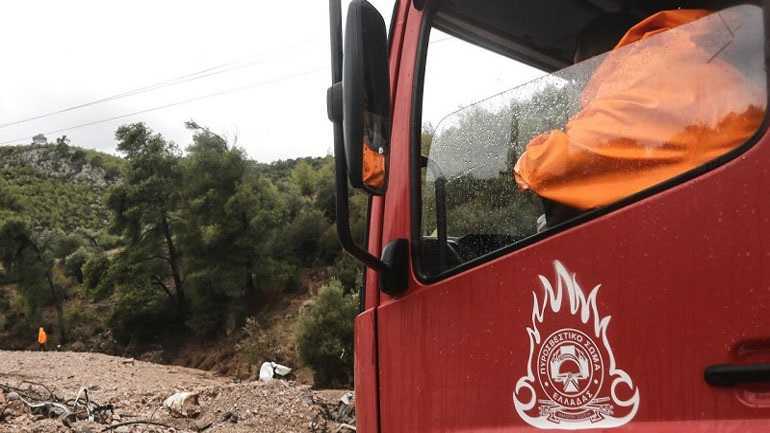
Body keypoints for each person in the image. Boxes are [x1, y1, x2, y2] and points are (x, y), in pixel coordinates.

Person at [514, 7, 765, 226]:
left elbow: (551, 167)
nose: (582, 86)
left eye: (580, 72)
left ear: (595, 60)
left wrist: (525, 162)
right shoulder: (708, 65)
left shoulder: (640, 74)